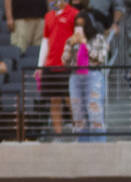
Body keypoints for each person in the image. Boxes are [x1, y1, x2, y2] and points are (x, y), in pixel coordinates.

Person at [62, 11, 109, 141]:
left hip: (93, 75)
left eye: (82, 25)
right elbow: (65, 62)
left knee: (95, 111)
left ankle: (99, 145)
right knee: (78, 113)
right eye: (77, 25)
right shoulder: (71, 40)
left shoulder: (98, 38)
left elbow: (100, 58)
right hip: (75, 76)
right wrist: (71, 46)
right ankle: (82, 145)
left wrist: (85, 44)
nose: (80, 28)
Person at [41, 0, 78, 133]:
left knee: (71, 98)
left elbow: (78, 39)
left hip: (68, 65)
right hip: (51, 64)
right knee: (54, 100)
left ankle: (78, 129)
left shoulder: (74, 14)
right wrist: (40, 65)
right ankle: (58, 134)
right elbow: (45, 40)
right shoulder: (48, 16)